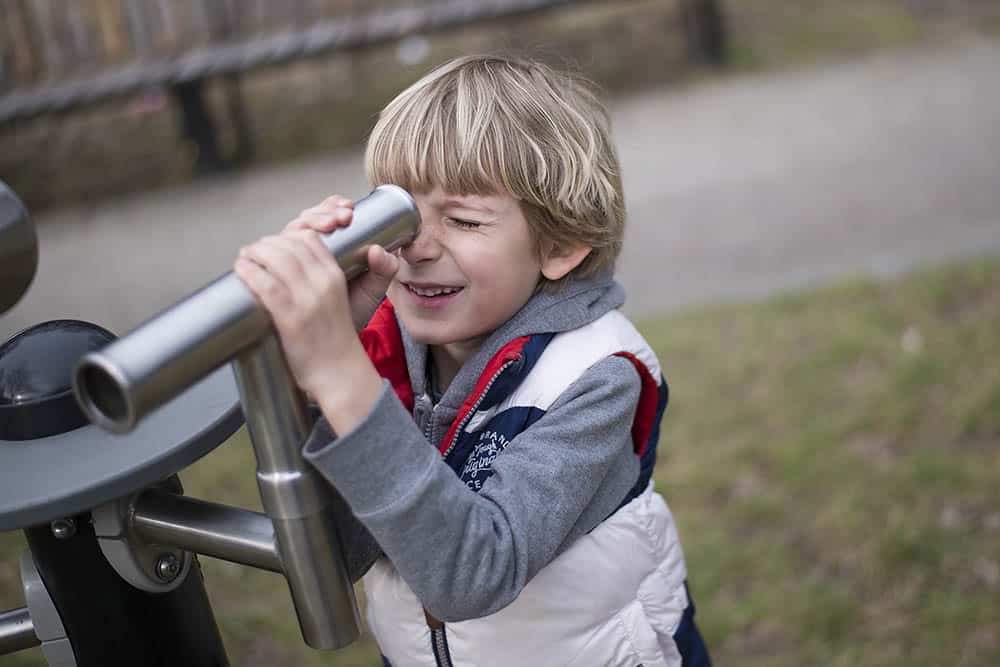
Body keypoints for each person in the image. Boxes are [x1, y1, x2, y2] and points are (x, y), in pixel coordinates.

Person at [234, 54, 711, 667]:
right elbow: (340, 554)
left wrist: (341, 377)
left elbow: (472, 576)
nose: (418, 248)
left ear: (560, 242)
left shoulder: (596, 378)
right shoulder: (384, 350)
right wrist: (306, 378)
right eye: (400, 216)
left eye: (463, 220)